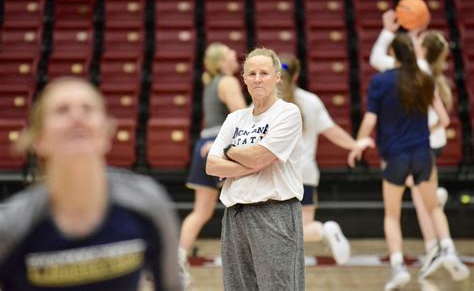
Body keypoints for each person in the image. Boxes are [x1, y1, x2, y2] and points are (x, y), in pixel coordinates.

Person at [0, 77, 182, 291]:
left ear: (106, 133)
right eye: (62, 110)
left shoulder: (148, 203)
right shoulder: (13, 224)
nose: (77, 117)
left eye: (87, 108)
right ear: (40, 140)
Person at [349, 33, 466, 290]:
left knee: (392, 215)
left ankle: (398, 266)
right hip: (423, 153)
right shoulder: (424, 78)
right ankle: (447, 248)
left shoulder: (380, 81)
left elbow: (370, 121)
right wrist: (428, 129)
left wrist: (357, 145)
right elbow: (445, 120)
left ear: (392, 53)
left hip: (395, 156)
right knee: (434, 207)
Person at [206, 48, 305, 290]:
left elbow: (261, 157)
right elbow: (211, 165)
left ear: (277, 77)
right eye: (252, 73)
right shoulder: (235, 118)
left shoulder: (288, 113)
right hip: (235, 215)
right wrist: (252, 161)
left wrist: (230, 151)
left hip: (275, 213)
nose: (258, 78)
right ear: (244, 78)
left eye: (264, 73)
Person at [278, 54, 374, 265]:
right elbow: (332, 131)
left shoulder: (266, 101)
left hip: (277, 174)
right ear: (296, 75)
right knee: (303, 226)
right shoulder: (311, 101)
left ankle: (320, 235)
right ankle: (323, 231)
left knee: (274, 228)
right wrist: (355, 145)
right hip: (306, 172)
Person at [178, 43, 246, 284]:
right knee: (245, 203)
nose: (233, 54)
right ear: (220, 62)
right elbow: (241, 118)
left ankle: (177, 261)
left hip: (205, 143)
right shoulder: (227, 81)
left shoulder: (212, 83)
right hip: (220, 144)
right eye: (228, 52)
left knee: (201, 211)